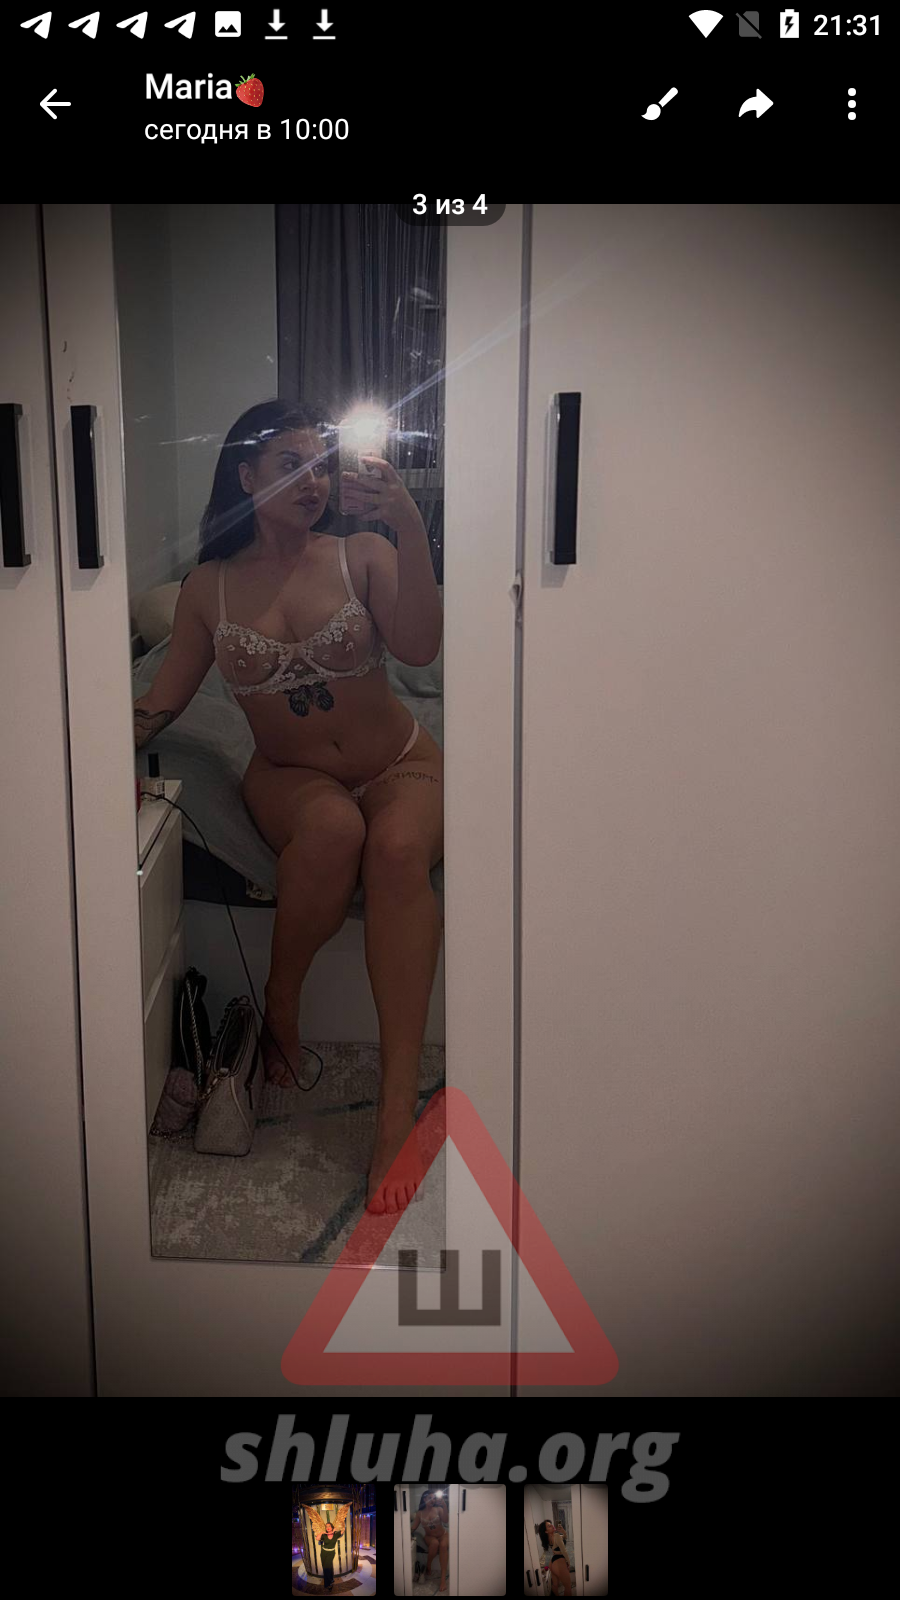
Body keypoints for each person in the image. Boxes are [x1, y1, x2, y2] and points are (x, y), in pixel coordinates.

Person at [134, 399, 444, 1214]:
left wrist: (409, 525)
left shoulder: (362, 552)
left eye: (319, 466)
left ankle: (393, 1112)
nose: (312, 482)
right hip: (288, 774)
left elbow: (419, 648)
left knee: (398, 851)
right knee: (334, 829)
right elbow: (160, 703)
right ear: (245, 476)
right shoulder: (206, 589)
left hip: (400, 763)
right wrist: (76, 754)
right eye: (289, 465)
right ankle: (280, 1000)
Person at [411, 1490, 449, 1592]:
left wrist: (444, 1505)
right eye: (430, 1498)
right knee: (435, 1543)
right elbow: (414, 1527)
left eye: (434, 1498)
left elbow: (446, 1520)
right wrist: (406, 1535)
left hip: (443, 1534)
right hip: (429, 1536)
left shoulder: (439, 1509)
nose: (433, 1500)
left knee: (443, 1545)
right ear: (424, 1499)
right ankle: (428, 1565)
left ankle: (442, 1579)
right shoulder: (419, 1513)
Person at [535, 1519, 571, 1596]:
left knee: (555, 1585)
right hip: (559, 1561)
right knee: (568, 1587)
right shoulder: (556, 1535)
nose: (552, 1525)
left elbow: (564, 1537)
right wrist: (568, 1561)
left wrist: (563, 1531)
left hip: (553, 1562)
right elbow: (564, 1551)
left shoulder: (550, 1537)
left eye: (551, 1524)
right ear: (546, 1531)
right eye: (549, 1526)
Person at [318, 1520, 340, 1591]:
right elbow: (317, 1538)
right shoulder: (324, 1535)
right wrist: (322, 1532)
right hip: (323, 1553)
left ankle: (328, 1584)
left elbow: (343, 1529)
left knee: (326, 1568)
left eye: (329, 1526)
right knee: (328, 1567)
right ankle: (331, 1579)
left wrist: (334, 1531)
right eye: (326, 1526)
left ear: (332, 1527)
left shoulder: (336, 1534)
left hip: (331, 1553)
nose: (327, 1527)